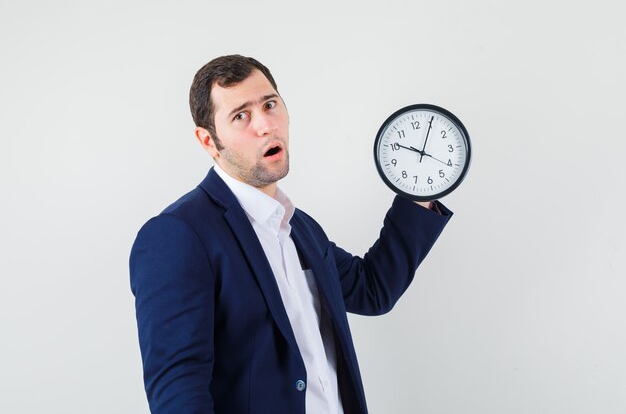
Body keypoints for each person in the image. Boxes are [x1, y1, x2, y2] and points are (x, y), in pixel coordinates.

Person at [130, 54, 452, 414]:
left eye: (270, 105)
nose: (266, 125)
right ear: (209, 141)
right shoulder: (178, 235)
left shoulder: (300, 227)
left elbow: (372, 290)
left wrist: (421, 188)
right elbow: (179, 394)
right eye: (241, 116)